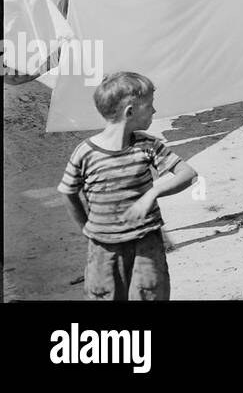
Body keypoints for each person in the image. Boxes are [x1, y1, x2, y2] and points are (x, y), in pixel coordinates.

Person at [57, 71, 197, 301]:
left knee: (150, 294)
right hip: (104, 250)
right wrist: (87, 228)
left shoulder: (148, 145)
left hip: (146, 244)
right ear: (130, 112)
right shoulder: (86, 152)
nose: (154, 111)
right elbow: (68, 191)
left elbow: (188, 173)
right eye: (150, 105)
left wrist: (153, 193)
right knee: (105, 296)